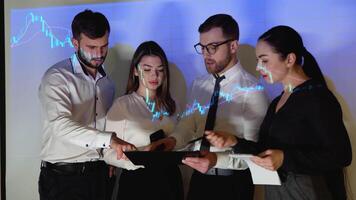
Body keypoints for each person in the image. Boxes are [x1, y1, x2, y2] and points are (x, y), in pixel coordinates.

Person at [208, 25, 353, 200]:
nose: (258, 67)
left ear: (290, 59)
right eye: (257, 60)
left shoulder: (317, 97)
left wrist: (285, 158)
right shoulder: (277, 101)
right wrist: (233, 141)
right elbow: (265, 150)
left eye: (264, 60)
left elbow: (341, 155)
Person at [153, 14, 269, 200]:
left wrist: (216, 160)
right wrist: (172, 142)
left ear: (233, 46)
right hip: (199, 181)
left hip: (234, 185)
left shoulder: (253, 90)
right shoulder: (198, 85)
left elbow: (254, 151)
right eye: (203, 47)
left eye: (213, 47)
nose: (206, 54)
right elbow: (187, 126)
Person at [38, 10, 135, 200]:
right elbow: (60, 126)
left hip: (99, 175)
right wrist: (110, 140)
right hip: (62, 179)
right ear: (75, 43)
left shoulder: (108, 84)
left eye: (104, 46)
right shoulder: (57, 77)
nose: (99, 54)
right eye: (91, 47)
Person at [103, 41, 184, 200]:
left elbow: (183, 140)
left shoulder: (173, 105)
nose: (154, 76)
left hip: (171, 181)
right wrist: (133, 159)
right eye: (147, 70)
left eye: (160, 70)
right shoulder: (122, 105)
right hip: (138, 182)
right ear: (135, 70)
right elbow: (107, 151)